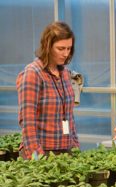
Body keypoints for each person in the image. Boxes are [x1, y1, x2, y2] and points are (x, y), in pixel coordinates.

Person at [16, 21, 79, 159]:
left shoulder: (65, 74)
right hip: (41, 152)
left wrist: (74, 146)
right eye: (61, 49)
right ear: (48, 46)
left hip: (65, 151)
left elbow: (68, 115)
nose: (66, 54)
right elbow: (27, 120)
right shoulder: (33, 73)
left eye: (69, 49)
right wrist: (37, 157)